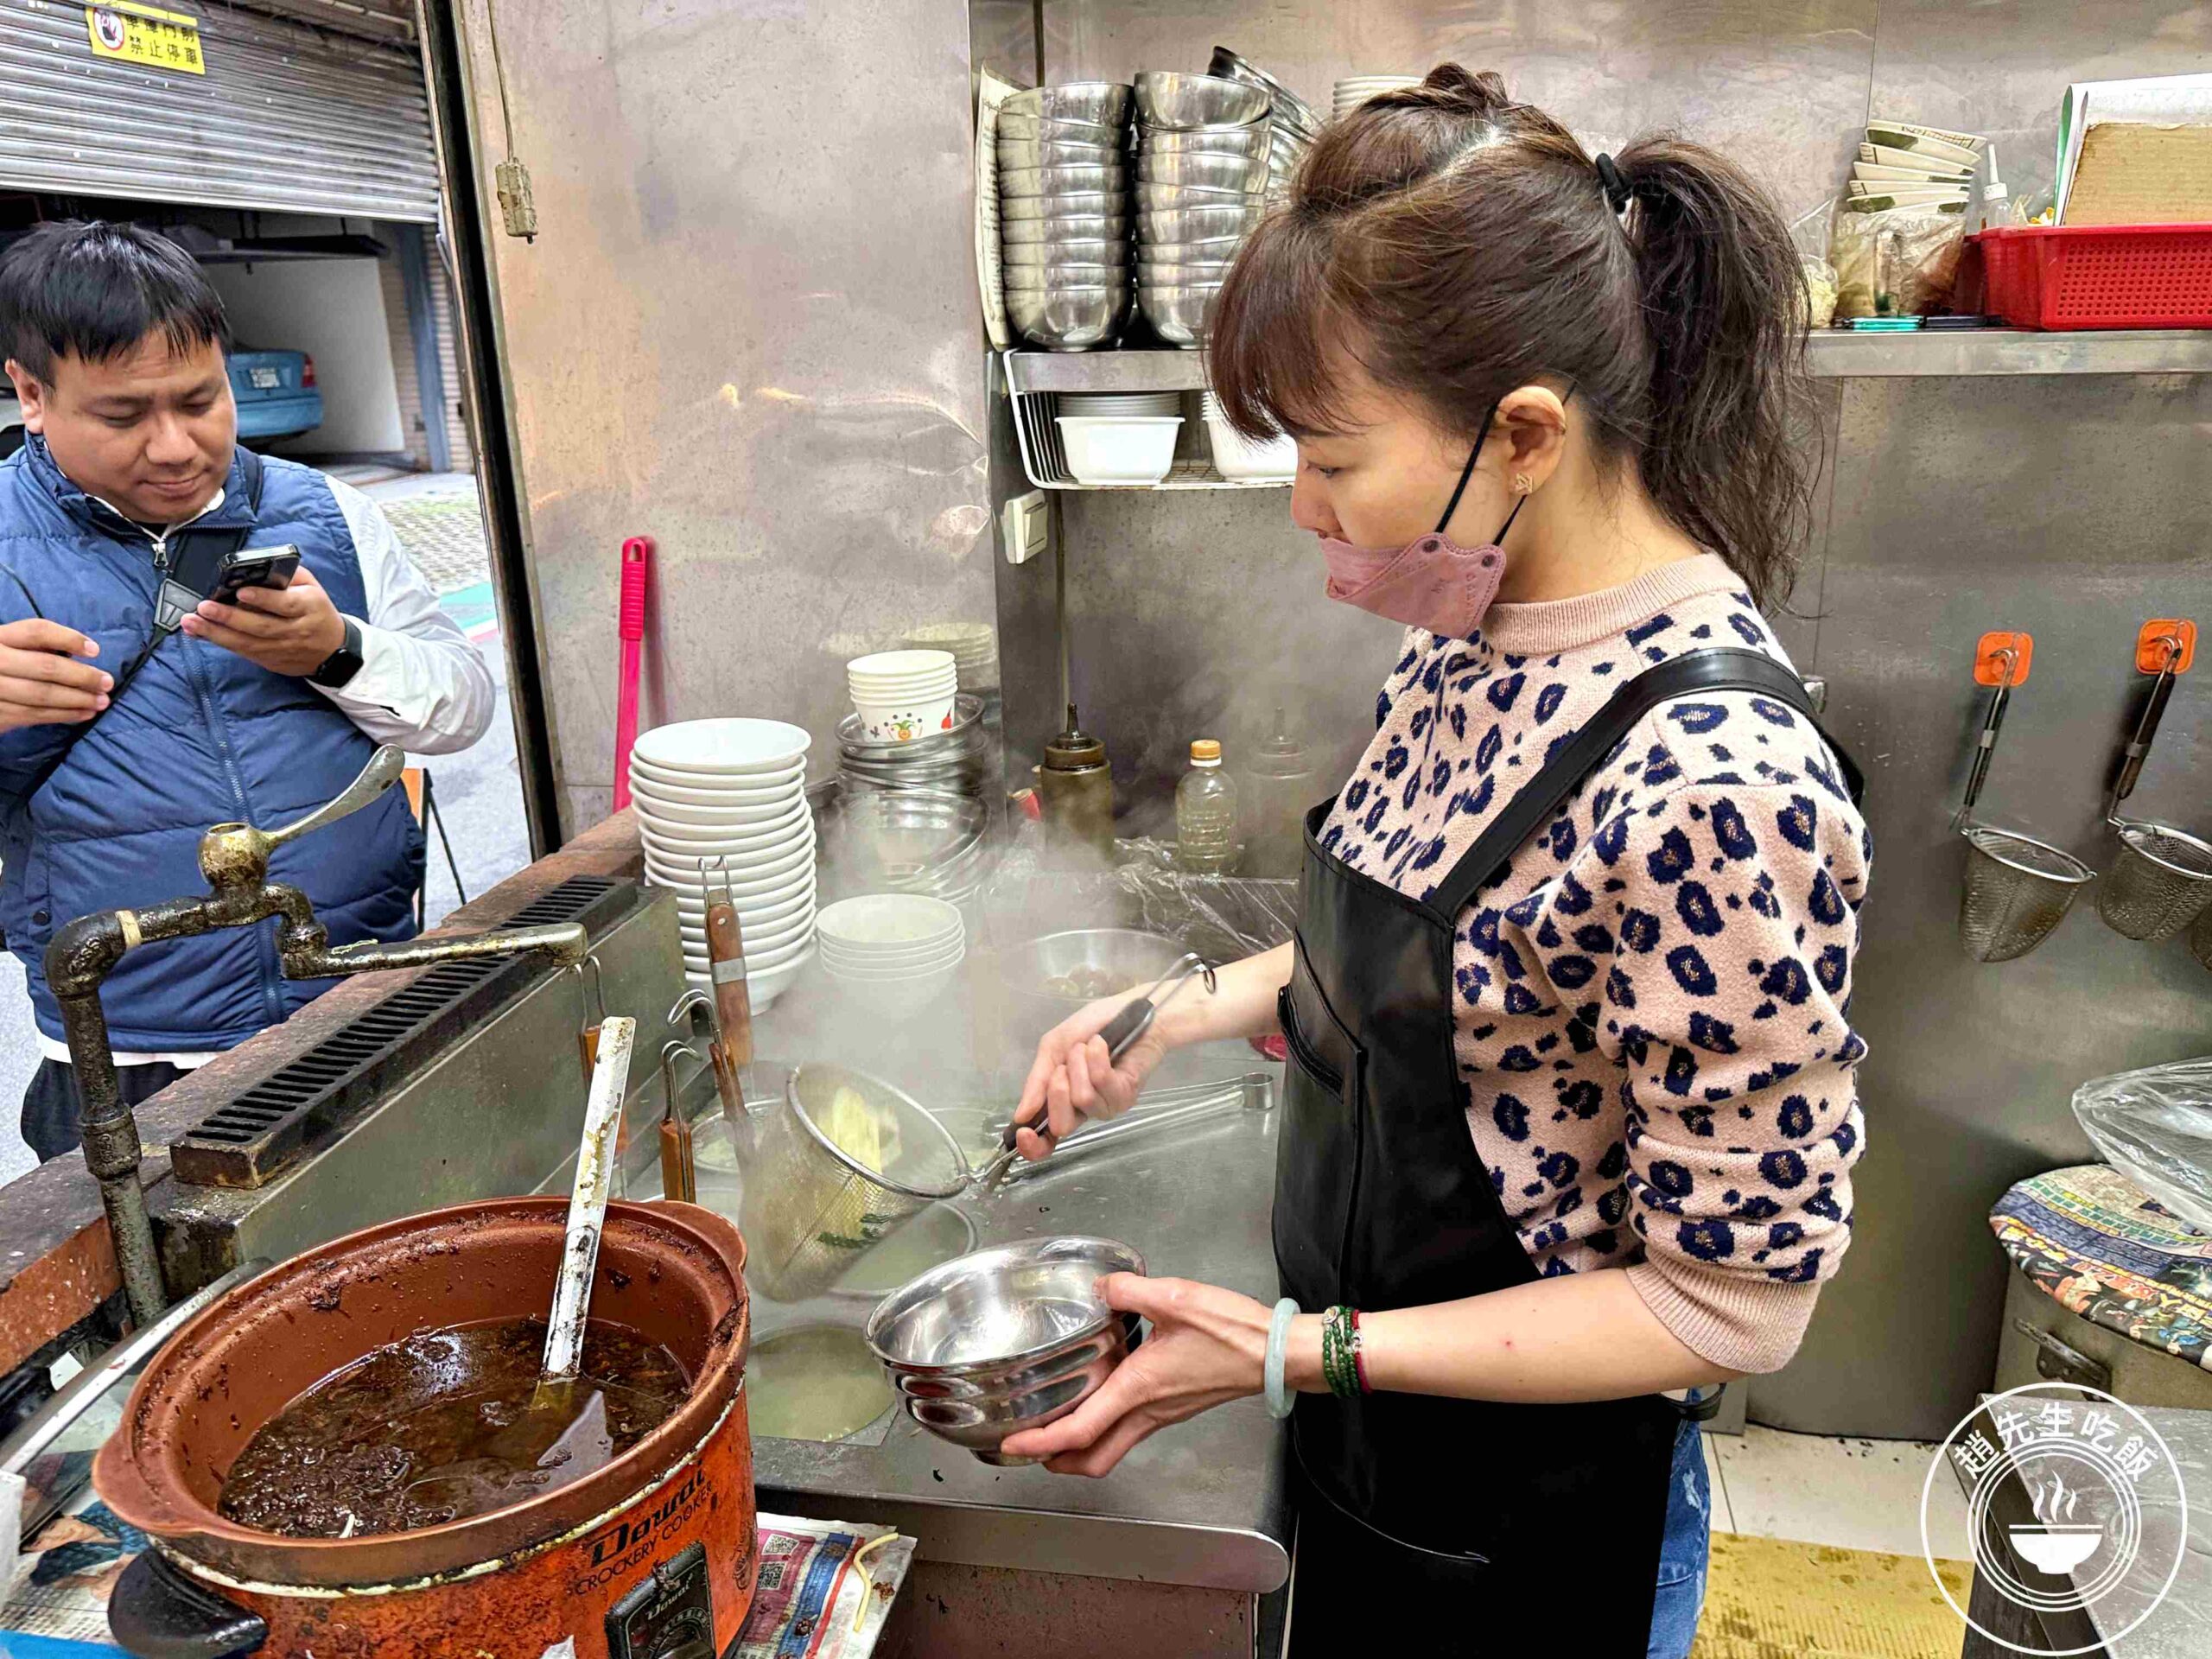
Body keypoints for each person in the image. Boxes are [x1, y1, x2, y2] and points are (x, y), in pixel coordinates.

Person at [1002, 68, 1872, 1657]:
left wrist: (1294, 1351)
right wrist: (1184, 1007)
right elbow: (1459, 961)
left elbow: (1732, 1305)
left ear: (1526, 434)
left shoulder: (1718, 788)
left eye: (1333, 458)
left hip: (1532, 1525)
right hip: (1368, 1443)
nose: (1302, 504)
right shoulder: (1482, 628)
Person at [0, 221, 494, 1161]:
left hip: (356, 996)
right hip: (130, 1050)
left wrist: (336, 650)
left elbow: (463, 707)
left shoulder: (327, 511)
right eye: (122, 416)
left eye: (202, 399)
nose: (177, 446)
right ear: (31, 393)